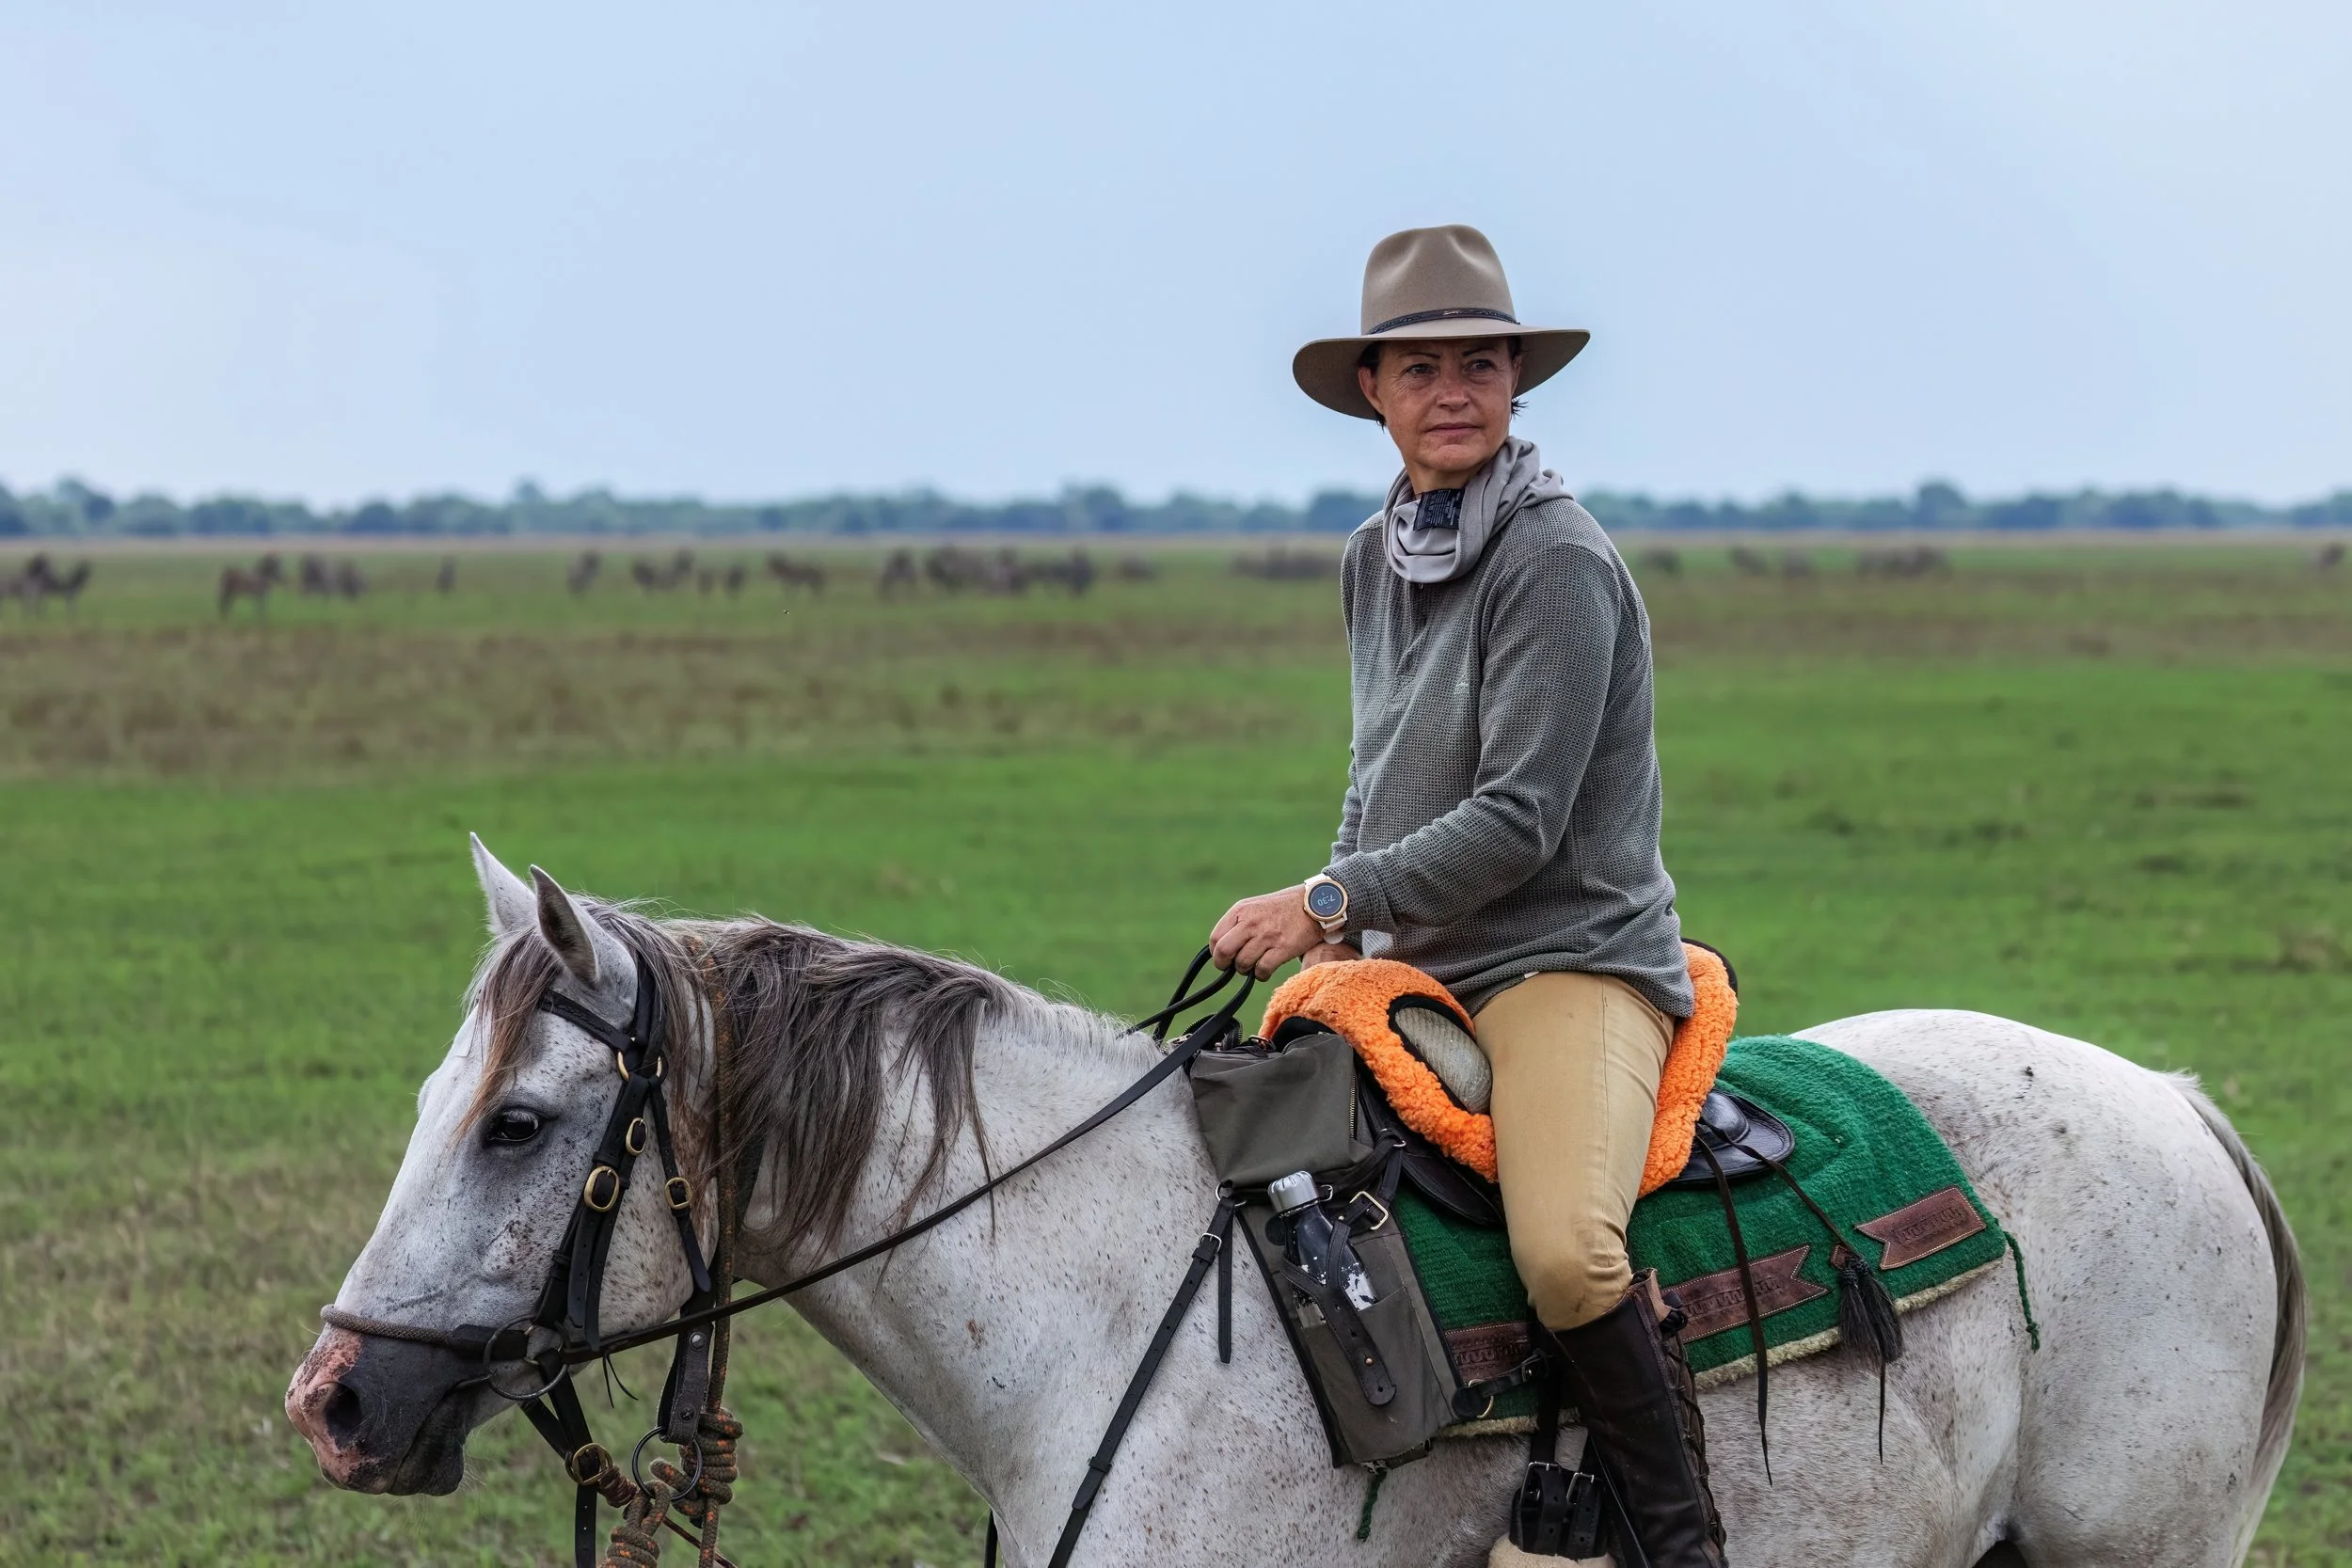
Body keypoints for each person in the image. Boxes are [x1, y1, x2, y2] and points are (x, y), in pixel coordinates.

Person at [1208, 225, 1724, 1567]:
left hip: (1565, 957)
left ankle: (1678, 1542)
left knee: (1564, 1253)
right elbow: (1375, 780)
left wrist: (1326, 899)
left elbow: (1520, 818)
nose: (1454, 391)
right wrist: (1336, 922)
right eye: (1422, 366)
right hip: (1415, 963)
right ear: (1372, 389)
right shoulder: (1373, 556)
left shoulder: (1555, 557)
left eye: (1480, 364)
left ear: (1516, 383)